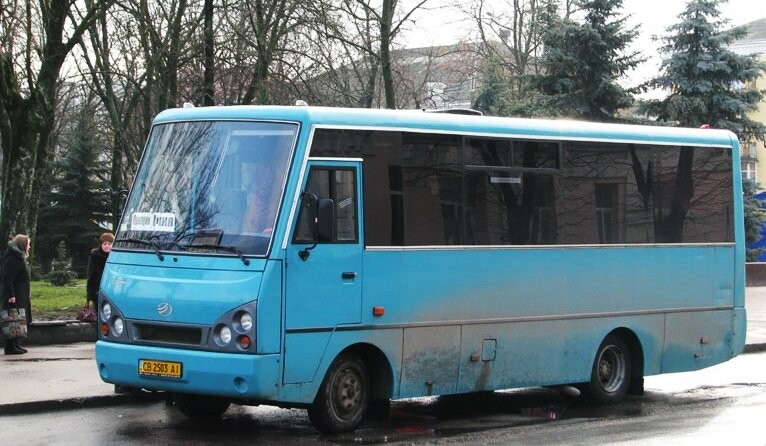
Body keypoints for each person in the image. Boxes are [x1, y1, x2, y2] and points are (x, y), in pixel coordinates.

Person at [2, 234, 32, 355]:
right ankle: (10, 346)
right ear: (22, 244)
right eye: (28, 244)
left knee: (17, 319)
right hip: (14, 295)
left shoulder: (19, 256)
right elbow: (8, 278)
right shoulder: (13, 258)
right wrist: (11, 295)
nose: (29, 246)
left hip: (20, 294)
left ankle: (16, 344)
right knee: (12, 319)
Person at [86, 232, 114, 310]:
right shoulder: (95, 256)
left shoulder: (117, 256)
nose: (107, 246)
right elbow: (91, 277)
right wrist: (90, 298)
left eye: (109, 244)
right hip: (98, 290)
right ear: (101, 245)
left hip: (113, 290)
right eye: (104, 244)